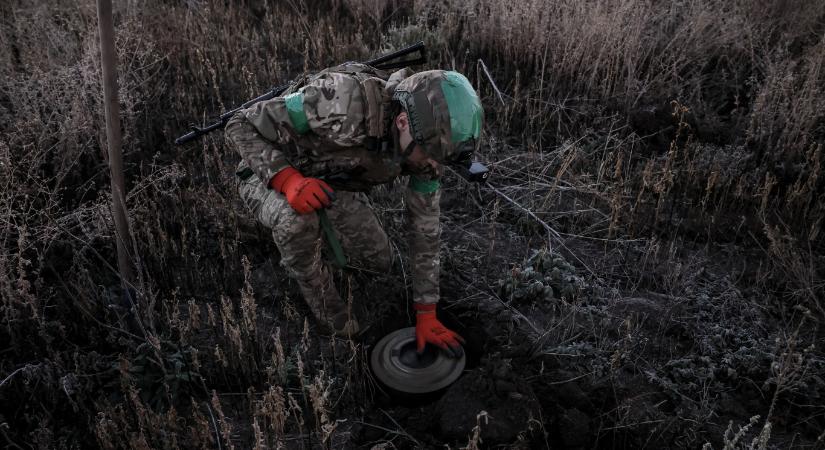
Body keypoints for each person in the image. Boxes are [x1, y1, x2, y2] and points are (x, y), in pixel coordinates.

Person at [224, 62, 482, 358]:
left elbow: (424, 229)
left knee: (379, 262)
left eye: (442, 160)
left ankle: (320, 234)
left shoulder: (430, 145)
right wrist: (288, 181)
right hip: (266, 174)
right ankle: (327, 311)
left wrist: (426, 311)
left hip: (330, 184)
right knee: (296, 221)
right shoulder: (339, 101)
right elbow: (240, 124)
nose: (433, 166)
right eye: (432, 156)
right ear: (401, 122)